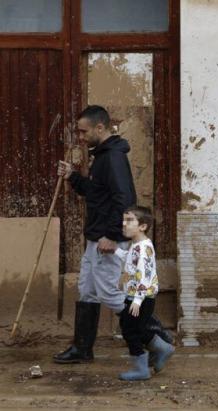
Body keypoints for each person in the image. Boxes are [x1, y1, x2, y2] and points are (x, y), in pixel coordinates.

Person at [54, 105, 171, 364]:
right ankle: (82, 349)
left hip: (106, 238)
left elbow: (124, 199)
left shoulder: (113, 158)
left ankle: (155, 338)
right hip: (95, 238)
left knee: (110, 293)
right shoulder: (102, 156)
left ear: (100, 127)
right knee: (87, 291)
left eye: (84, 132)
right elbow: (96, 194)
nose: (81, 137)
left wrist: (110, 234)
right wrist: (73, 176)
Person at [116, 206, 174, 381]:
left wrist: (137, 300)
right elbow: (131, 260)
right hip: (135, 296)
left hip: (139, 298)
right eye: (123, 221)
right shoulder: (137, 245)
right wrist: (116, 251)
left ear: (143, 226)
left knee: (130, 331)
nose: (124, 224)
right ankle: (163, 348)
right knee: (135, 328)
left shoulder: (143, 249)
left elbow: (145, 276)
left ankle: (142, 369)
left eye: (129, 221)